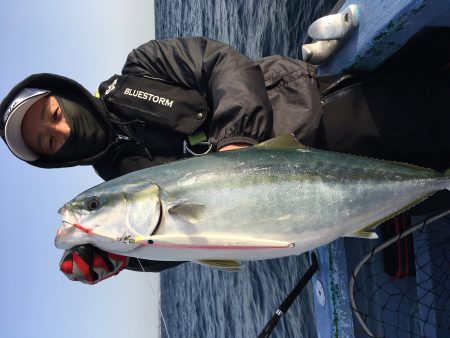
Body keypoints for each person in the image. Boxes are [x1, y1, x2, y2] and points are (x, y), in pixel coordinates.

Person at [1, 37, 450, 284]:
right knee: (435, 188)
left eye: (54, 115)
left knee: (434, 115)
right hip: (328, 206)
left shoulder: (142, 67)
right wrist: (119, 257)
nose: (61, 131)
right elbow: (173, 242)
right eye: (49, 142)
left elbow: (221, 63)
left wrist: (236, 141)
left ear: (65, 93)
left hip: (313, 115)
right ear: (54, 161)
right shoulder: (118, 178)